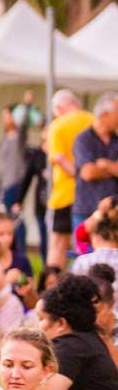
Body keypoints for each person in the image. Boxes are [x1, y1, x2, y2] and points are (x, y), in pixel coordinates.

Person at [46, 90, 93, 271]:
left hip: (65, 194)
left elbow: (58, 157)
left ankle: (54, 285)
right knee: (90, 243)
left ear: (59, 108)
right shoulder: (93, 120)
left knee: (59, 243)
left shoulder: (57, 125)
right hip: (92, 194)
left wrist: (78, 175)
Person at [72, 93, 118, 233]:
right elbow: (88, 173)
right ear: (104, 114)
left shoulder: (116, 140)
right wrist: (113, 168)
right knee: (86, 254)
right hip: (86, 212)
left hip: (113, 213)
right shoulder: (83, 139)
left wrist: (105, 164)